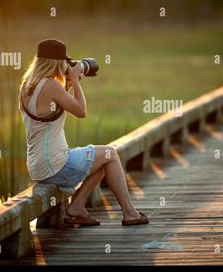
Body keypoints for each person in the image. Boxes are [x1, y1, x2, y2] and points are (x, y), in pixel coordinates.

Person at [19, 39, 149, 226]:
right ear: (58, 63)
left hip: (38, 166)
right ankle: (130, 213)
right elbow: (81, 111)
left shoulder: (27, 86)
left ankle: (77, 206)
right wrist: (76, 84)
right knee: (109, 153)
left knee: (101, 161)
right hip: (55, 164)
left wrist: (70, 83)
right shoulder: (51, 85)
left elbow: (51, 105)